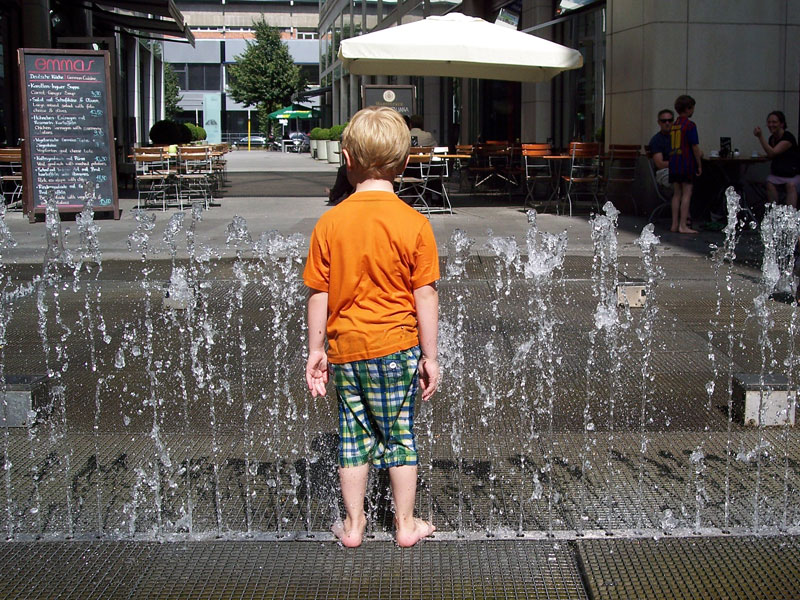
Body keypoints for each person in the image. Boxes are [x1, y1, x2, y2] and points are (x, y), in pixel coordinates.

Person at [303, 106, 440, 548]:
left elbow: (319, 294)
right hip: (398, 348)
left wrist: (315, 351)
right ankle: (405, 524)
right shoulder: (416, 225)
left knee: (353, 437)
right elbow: (426, 296)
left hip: (346, 351)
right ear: (403, 164)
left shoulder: (330, 222)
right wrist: (431, 356)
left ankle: (354, 525)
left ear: (346, 160)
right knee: (400, 435)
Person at [669, 95, 702, 234]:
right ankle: (683, 225)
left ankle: (674, 224)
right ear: (688, 108)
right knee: (687, 193)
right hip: (686, 162)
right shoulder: (689, 125)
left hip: (674, 162)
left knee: (676, 194)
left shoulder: (674, 125)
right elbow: (694, 146)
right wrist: (699, 164)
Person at [753, 110, 800, 209]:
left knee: (790, 185)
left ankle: (790, 215)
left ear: (781, 124)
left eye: (774, 122)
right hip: (778, 173)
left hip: (792, 173)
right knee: (770, 183)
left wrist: (760, 137)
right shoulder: (772, 138)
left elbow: (773, 152)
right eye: (769, 122)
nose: (771, 125)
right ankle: (774, 211)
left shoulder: (788, 138)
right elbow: (772, 155)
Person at [648, 109, 674, 192]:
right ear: (659, 122)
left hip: (678, 170)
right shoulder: (656, 140)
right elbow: (660, 164)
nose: (667, 123)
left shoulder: (678, 137)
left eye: (670, 120)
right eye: (664, 121)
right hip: (665, 172)